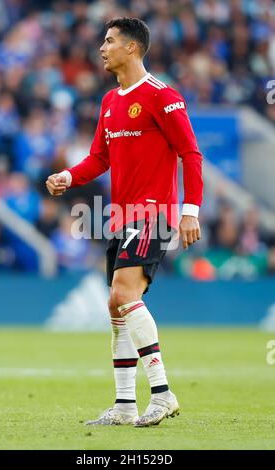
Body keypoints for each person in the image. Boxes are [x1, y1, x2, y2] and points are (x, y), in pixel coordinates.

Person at [46, 17, 203, 427]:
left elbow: (191, 154)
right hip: (120, 216)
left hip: (154, 212)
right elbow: (100, 158)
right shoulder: (109, 102)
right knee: (116, 304)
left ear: (131, 48)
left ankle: (163, 393)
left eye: (110, 40)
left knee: (123, 292)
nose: (102, 48)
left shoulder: (162, 96)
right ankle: (124, 405)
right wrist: (69, 176)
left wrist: (191, 210)